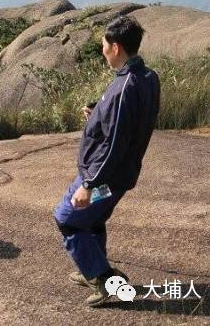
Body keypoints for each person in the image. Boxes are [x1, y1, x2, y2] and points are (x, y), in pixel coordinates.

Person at [53, 16, 160, 307]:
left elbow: (115, 143)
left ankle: (104, 279)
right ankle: (90, 268)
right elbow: (128, 124)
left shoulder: (125, 86)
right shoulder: (147, 77)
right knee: (93, 219)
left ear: (116, 47)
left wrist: (89, 184)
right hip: (120, 175)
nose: (101, 51)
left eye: (103, 45)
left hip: (105, 178)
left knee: (68, 219)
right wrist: (98, 112)